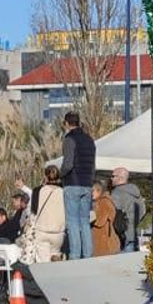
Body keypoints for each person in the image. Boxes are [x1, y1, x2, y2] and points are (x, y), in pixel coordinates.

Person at [59, 111, 96, 259]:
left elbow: (68, 164)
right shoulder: (89, 140)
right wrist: (90, 181)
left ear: (66, 123)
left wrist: (60, 175)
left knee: (73, 222)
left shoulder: (69, 139)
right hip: (87, 184)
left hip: (72, 183)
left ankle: (75, 256)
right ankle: (87, 255)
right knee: (85, 222)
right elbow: (93, 165)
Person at [27, 161, 68, 264]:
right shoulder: (64, 191)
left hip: (42, 231)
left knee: (43, 262)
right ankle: (56, 261)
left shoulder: (38, 191)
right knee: (55, 256)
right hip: (59, 232)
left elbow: (33, 211)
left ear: (45, 176)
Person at [109, 166, 144, 251]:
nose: (111, 178)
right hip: (134, 233)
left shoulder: (116, 193)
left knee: (121, 263)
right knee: (131, 262)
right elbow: (143, 211)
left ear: (121, 177)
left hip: (122, 235)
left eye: (113, 176)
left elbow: (111, 213)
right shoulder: (136, 193)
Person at [91, 179, 120, 257]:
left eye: (92, 191)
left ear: (99, 191)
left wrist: (88, 218)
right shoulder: (100, 201)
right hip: (103, 240)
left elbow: (100, 221)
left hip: (105, 241)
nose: (90, 194)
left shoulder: (104, 201)